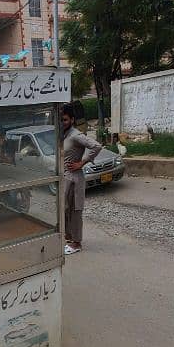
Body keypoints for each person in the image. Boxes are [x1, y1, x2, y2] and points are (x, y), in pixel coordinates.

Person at [63, 106, 102, 255]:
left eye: (65, 119)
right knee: (65, 209)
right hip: (65, 177)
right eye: (61, 119)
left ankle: (77, 243)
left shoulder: (75, 135)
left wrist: (82, 162)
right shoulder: (63, 134)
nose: (63, 122)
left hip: (75, 178)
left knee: (75, 210)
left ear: (72, 120)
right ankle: (69, 237)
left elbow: (96, 146)